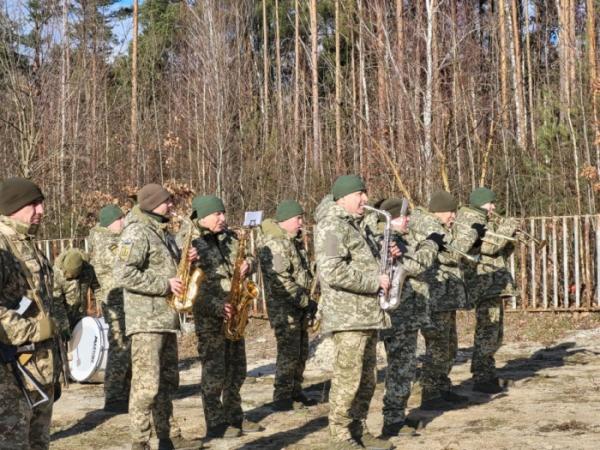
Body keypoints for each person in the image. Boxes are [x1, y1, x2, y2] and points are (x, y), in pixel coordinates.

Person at [115, 184, 202, 450]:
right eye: (167, 202)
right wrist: (164, 284)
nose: (171, 206)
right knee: (146, 387)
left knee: (167, 383)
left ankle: (168, 436)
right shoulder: (137, 231)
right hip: (146, 323)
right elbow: (123, 273)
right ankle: (139, 441)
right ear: (153, 203)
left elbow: (168, 268)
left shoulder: (160, 231)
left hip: (165, 319)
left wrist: (187, 259)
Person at [314, 175, 392, 450]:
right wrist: (374, 282)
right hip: (348, 318)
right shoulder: (332, 227)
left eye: (365, 193)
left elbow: (363, 263)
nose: (365, 199)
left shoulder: (355, 226)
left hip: (367, 314)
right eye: (360, 194)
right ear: (343, 198)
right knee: (348, 379)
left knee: (367, 379)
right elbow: (332, 271)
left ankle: (358, 429)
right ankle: (340, 436)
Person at [190, 195, 262, 440]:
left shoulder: (231, 237)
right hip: (210, 316)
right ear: (203, 217)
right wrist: (216, 306)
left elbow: (252, 256)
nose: (223, 218)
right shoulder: (193, 244)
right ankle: (215, 423)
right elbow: (191, 288)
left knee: (237, 369)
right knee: (214, 374)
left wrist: (248, 265)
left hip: (234, 312)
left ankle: (235, 415)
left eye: (223, 213)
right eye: (217, 214)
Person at [376, 198, 444, 437]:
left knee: (404, 367)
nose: (407, 220)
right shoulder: (386, 238)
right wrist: (431, 244)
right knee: (400, 367)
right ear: (392, 217)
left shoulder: (399, 238)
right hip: (397, 316)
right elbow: (416, 265)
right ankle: (392, 419)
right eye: (404, 216)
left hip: (406, 315)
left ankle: (395, 416)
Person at [0, 177, 60, 450]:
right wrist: (33, 330)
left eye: (41, 203)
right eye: (33, 204)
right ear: (13, 206)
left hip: (40, 370)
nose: (41, 211)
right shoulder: (3, 247)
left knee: (39, 443)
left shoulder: (28, 242)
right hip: (12, 374)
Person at [414, 190, 479, 410]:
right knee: (439, 346)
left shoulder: (438, 226)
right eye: (451, 212)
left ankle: (441, 386)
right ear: (440, 211)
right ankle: (430, 393)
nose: (453, 216)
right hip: (436, 296)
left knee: (449, 346)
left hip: (445, 296)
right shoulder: (430, 227)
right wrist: (472, 234)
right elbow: (452, 254)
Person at [455, 187, 517, 394]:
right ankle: (482, 376)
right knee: (487, 330)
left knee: (495, 331)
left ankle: (486, 372)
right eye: (490, 203)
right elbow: (489, 248)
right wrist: (506, 229)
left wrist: (509, 238)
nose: (493, 207)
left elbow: (499, 251)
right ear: (481, 203)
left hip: (493, 280)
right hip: (483, 282)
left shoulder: (484, 219)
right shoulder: (472, 220)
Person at [257, 199, 317, 411]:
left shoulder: (293, 241)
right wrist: (304, 301)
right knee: (288, 351)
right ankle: (282, 396)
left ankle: (295, 390)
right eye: (298, 218)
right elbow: (281, 280)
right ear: (285, 220)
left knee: (301, 351)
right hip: (285, 308)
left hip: (298, 307)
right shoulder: (275, 243)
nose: (301, 222)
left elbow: (302, 272)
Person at [88, 204, 131, 412]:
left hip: (122, 301)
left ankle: (124, 392)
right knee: (120, 348)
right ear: (109, 223)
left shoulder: (112, 239)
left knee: (125, 347)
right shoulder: (106, 242)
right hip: (114, 302)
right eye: (120, 220)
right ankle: (114, 396)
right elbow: (122, 264)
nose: (123, 223)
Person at [52, 248, 100, 333]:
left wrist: (100, 304)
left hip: (82, 317)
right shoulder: (57, 274)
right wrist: (64, 326)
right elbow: (57, 303)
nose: (66, 276)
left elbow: (97, 288)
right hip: (64, 318)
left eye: (71, 275)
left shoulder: (88, 270)